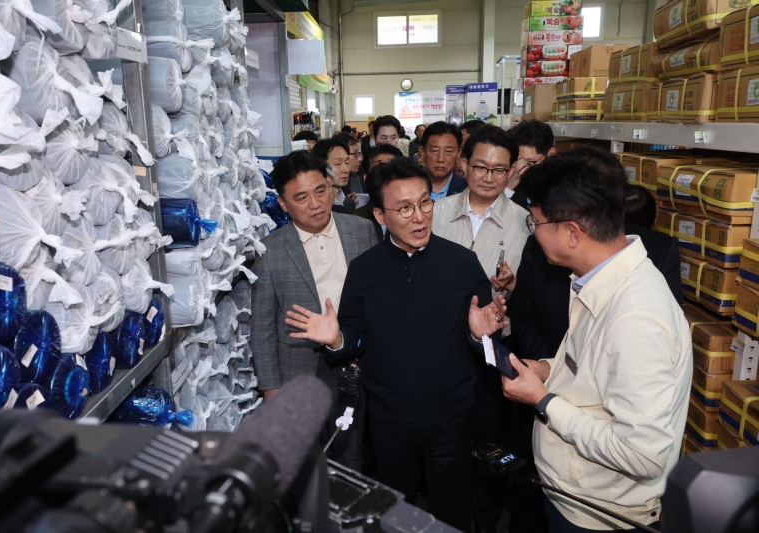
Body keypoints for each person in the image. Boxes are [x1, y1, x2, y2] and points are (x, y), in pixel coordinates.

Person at [284, 157, 509, 532]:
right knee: (394, 510)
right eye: (404, 208)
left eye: (424, 203)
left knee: (452, 510)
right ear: (380, 215)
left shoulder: (462, 263)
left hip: (451, 417)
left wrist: (480, 334)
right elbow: (354, 338)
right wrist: (337, 338)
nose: (419, 217)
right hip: (388, 419)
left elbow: (486, 345)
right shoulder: (365, 269)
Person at [501, 150, 692, 533]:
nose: (532, 231)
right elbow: (594, 370)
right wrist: (548, 369)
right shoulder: (599, 278)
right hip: (574, 494)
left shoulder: (637, 317)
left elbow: (641, 455)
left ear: (572, 232)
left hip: (601, 515)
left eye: (535, 222)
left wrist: (543, 400)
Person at [251, 150, 377, 472]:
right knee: (305, 458)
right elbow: (262, 327)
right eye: (301, 197)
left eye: (321, 190)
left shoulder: (361, 230)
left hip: (355, 356)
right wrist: (271, 388)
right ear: (283, 204)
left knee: (354, 450)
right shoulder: (271, 251)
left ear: (331, 187)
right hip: (300, 368)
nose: (315, 203)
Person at [431, 124, 529, 532]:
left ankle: (485, 520)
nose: (489, 177)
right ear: (464, 165)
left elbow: (538, 295)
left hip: (494, 352)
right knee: (444, 442)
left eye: (499, 170)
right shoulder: (435, 213)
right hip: (440, 348)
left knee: (490, 439)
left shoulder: (525, 223)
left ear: (511, 172)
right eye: (480, 167)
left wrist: (514, 285)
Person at [355, 144, 405, 241]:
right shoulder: (354, 220)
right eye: (379, 171)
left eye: (393, 171)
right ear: (366, 178)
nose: (387, 178)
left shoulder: (420, 214)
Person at [506, 120, 557, 209]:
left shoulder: (564, 188)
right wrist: (509, 187)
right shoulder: (514, 181)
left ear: (551, 154)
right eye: (516, 162)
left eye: (529, 163)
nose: (522, 170)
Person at [419, 121, 466, 201]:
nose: (440, 159)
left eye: (448, 151)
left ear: (458, 154)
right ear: (422, 152)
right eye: (434, 151)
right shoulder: (408, 187)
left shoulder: (468, 189)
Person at [313, 138, 355, 214]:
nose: (345, 170)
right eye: (338, 163)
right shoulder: (317, 207)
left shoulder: (350, 203)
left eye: (347, 162)